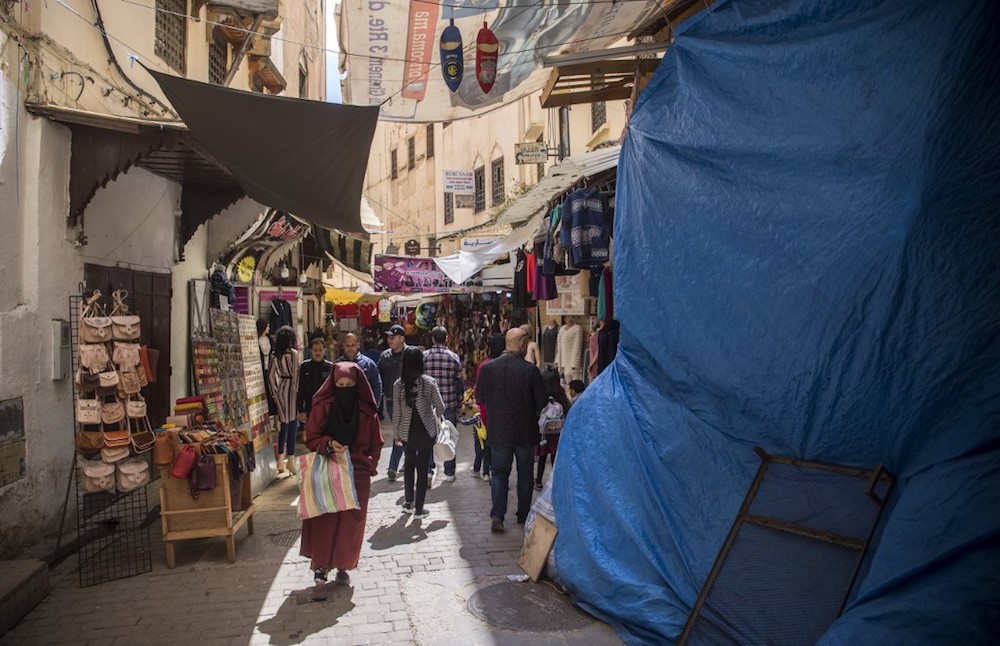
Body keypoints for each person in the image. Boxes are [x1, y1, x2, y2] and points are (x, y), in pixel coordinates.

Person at [301, 362, 383, 600]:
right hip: (328, 469)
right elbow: (311, 437)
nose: (344, 389)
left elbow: (376, 444)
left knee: (350, 525)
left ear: (357, 386)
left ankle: (343, 565)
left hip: (357, 475)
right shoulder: (323, 407)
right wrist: (328, 444)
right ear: (333, 385)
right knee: (324, 521)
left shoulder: (367, 413)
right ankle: (320, 573)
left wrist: (369, 464)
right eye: (340, 385)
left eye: (349, 385)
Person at [476, 328, 547, 533]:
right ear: (523, 344)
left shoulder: (489, 369)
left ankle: (498, 515)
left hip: (499, 430)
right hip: (525, 431)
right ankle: (523, 515)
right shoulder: (530, 370)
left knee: (499, 474)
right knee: (524, 475)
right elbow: (541, 402)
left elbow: (480, 398)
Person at [391, 347, 445, 520]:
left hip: (406, 432)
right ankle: (419, 510)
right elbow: (441, 406)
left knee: (409, 465)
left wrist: (396, 434)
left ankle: (408, 503)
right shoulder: (428, 382)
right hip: (425, 431)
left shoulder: (398, 385)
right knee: (422, 470)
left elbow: (397, 412)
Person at [423, 326, 463, 481]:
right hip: (449, 403)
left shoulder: (424, 356)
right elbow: (459, 384)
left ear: (432, 339)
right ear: (446, 338)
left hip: (428, 404)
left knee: (428, 437)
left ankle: (429, 469)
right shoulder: (453, 357)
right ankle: (449, 472)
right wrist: (459, 404)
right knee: (449, 436)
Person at [378, 324, 411, 481]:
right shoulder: (385, 357)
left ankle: (394, 466)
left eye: (393, 337)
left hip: (409, 401)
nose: (390, 339)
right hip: (391, 402)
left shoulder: (411, 354)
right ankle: (402, 463)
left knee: (401, 432)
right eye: (389, 337)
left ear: (402, 338)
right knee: (401, 431)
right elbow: (379, 379)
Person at [472, 334, 505, 481]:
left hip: (486, 408)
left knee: (485, 440)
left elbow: (479, 389)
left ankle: (487, 470)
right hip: (503, 409)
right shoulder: (506, 364)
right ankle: (492, 470)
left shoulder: (484, 365)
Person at [268, 326, 299, 475]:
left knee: (283, 426)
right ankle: (291, 461)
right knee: (293, 425)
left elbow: (270, 376)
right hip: (291, 391)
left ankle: (280, 460)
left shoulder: (275, 356)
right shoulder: (294, 354)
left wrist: (275, 393)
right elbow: (295, 376)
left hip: (281, 390)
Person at [536, 369, 570, 489]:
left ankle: (538, 481)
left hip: (544, 433)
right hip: (557, 431)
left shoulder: (542, 393)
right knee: (555, 456)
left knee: (542, 457)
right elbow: (566, 409)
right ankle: (555, 481)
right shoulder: (560, 393)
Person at [338, 332, 383, 408]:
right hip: (343, 409)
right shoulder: (337, 366)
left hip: (364, 409)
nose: (350, 349)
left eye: (353, 345)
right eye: (347, 346)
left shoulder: (369, 364)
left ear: (358, 345)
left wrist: (375, 406)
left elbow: (377, 385)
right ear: (343, 346)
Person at [297, 337, 333, 430]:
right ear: (311, 351)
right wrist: (301, 410)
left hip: (326, 410)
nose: (318, 353)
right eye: (315, 350)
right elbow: (300, 390)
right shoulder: (304, 367)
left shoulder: (330, 367)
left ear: (324, 350)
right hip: (309, 409)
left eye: (320, 350)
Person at [257, 319, 278, 420]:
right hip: (260, 370)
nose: (269, 329)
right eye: (267, 327)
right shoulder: (256, 340)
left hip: (269, 369)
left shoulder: (268, 339)